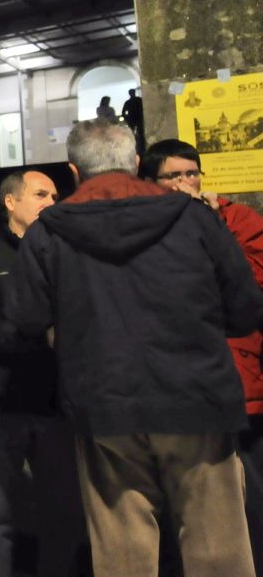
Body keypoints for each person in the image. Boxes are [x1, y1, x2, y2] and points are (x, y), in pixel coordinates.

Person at [9, 119, 263, 576]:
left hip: (104, 403)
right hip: (197, 396)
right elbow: (246, 308)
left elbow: (27, 318)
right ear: (136, 162)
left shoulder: (48, 233)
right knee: (217, 540)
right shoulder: (194, 218)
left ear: (74, 171)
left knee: (123, 548)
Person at [0, 171, 87, 577]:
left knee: (62, 512)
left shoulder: (67, 254)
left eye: (55, 195)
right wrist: (32, 336)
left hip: (56, 404)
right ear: (10, 202)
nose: (51, 201)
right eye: (40, 194)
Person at [139, 138, 263, 574]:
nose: (185, 183)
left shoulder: (233, 217)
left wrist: (211, 229)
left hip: (238, 377)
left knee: (251, 499)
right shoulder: (144, 227)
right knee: (185, 504)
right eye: (173, 175)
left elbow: (252, 287)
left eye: (191, 173)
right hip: (173, 385)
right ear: (152, 183)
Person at [121, 88, 144, 153]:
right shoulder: (139, 100)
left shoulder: (128, 102)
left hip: (133, 119)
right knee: (140, 133)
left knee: (134, 133)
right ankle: (141, 146)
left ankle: (136, 146)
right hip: (138, 118)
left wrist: (127, 118)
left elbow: (123, 112)